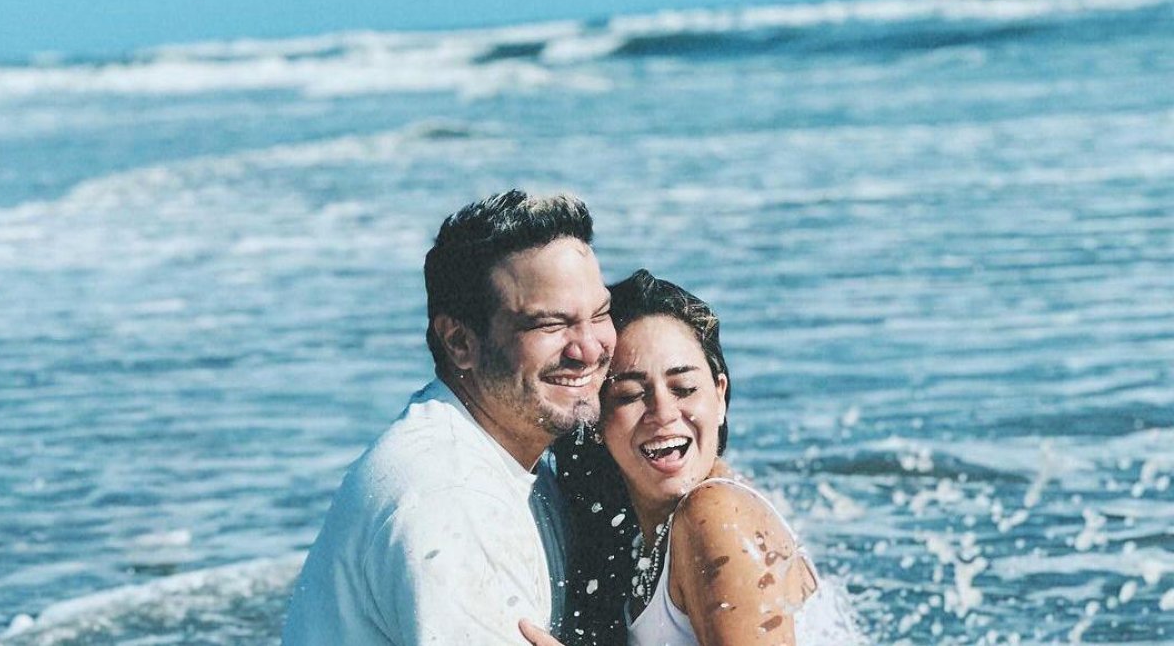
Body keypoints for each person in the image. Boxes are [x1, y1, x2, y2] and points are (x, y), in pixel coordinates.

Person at [282, 190, 617, 645]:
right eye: (549, 324)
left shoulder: (498, 451)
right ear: (459, 342)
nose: (589, 349)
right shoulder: (450, 499)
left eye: (600, 314)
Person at [523, 270, 818, 646]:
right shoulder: (654, 527)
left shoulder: (715, 513)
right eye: (630, 395)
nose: (662, 413)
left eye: (684, 387)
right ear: (595, 419)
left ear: (719, 397)